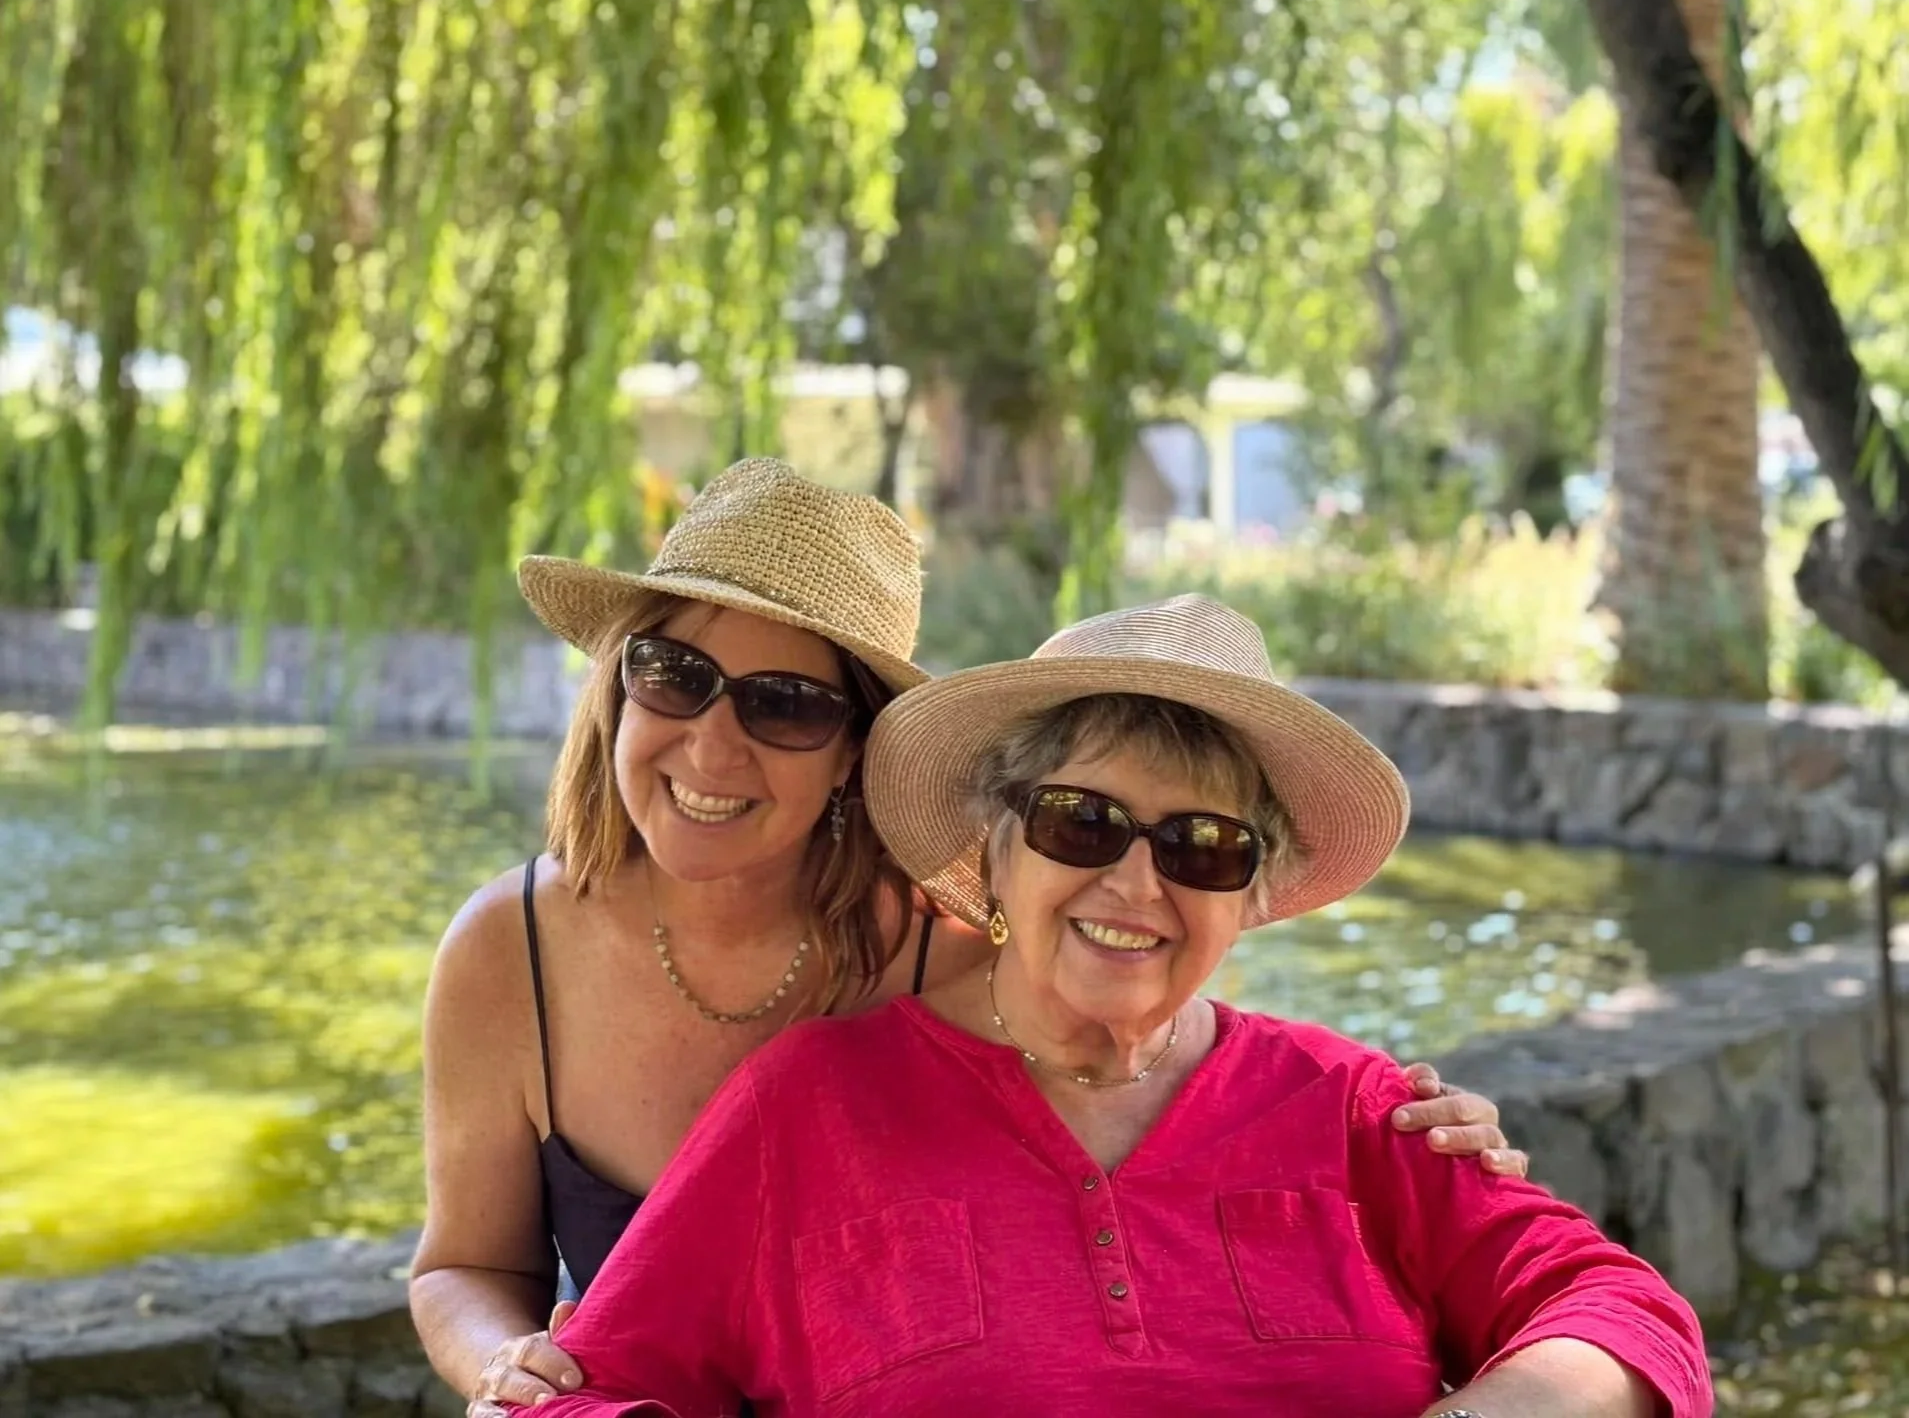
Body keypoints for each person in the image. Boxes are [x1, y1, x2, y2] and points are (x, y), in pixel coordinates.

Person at [409, 461, 1527, 1416]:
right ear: (615, 689)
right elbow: (464, 1262)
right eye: (673, 677)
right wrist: (514, 1374)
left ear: (853, 748)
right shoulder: (512, 948)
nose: (711, 745)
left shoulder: (957, 953)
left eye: (786, 703)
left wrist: (1394, 1138)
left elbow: (1139, 990)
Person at [521, 594, 1711, 1418]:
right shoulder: (806, 1106)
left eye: (1202, 846)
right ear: (993, 851)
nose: (1135, 885)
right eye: (1080, 824)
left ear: (1251, 896)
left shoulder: (1361, 1109)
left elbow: (1625, 1313)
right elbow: (586, 1391)